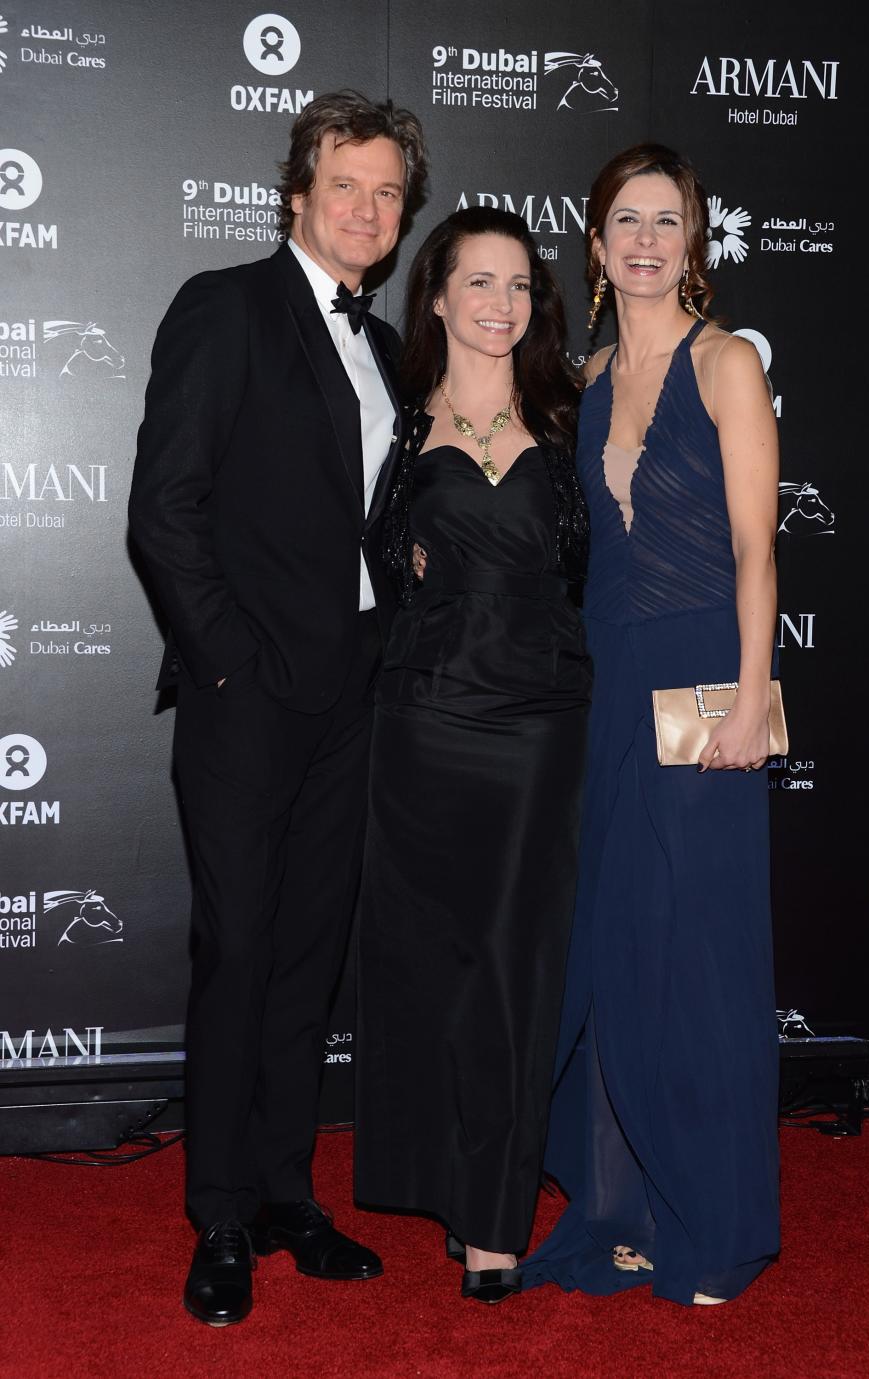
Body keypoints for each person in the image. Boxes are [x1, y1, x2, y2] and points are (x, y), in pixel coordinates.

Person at [128, 91, 427, 1326]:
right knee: (241, 951)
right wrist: (233, 664)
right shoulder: (225, 308)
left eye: (389, 193)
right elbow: (165, 512)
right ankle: (221, 1215)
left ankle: (291, 1190)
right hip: (250, 697)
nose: (367, 209)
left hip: (355, 691)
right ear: (296, 191)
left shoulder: (389, 346)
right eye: (345, 184)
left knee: (311, 956)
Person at [521, 144, 781, 1306]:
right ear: (594, 239)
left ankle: (714, 1220)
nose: (643, 239)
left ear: (695, 241)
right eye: (624, 219)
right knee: (617, 946)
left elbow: (756, 554)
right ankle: (622, 1203)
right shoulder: (580, 377)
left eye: (665, 220)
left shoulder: (727, 364)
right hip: (608, 682)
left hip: (701, 677)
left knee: (705, 954)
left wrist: (749, 700)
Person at [354, 207, 591, 1305]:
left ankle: (496, 1218)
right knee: (433, 963)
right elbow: (384, 576)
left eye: (518, 285)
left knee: (513, 964)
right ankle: (448, 1187)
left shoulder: (568, 417)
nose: (500, 304)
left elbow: (588, 567)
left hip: (537, 727)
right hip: (425, 723)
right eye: (477, 282)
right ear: (437, 297)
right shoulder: (396, 432)